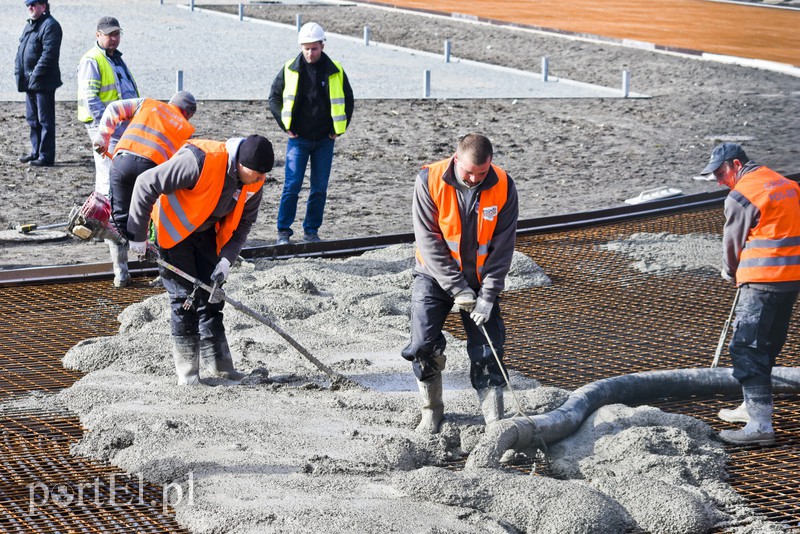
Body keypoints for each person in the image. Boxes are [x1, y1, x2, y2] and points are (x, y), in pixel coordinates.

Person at [126, 135, 274, 386]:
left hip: (205, 232)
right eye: (256, 173)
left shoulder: (254, 183)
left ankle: (222, 366)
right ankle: (188, 375)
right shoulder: (200, 160)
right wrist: (137, 235)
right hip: (173, 231)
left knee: (212, 297)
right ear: (239, 163)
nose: (260, 179)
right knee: (186, 299)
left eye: (263, 175)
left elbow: (244, 225)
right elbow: (146, 182)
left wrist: (226, 260)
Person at [402, 133, 519, 434]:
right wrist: (457, 288)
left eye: (482, 173)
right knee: (422, 345)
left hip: (480, 281)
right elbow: (428, 240)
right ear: (456, 159)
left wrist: (488, 296)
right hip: (433, 276)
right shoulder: (429, 180)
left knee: (488, 351)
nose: (474, 178)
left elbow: (502, 248)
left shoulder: (503, 186)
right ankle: (432, 410)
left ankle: (494, 420)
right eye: (469, 172)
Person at [699, 142, 800, 446]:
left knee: (746, 347)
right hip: (791, 279)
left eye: (720, 173)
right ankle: (750, 406)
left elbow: (732, 244)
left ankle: (759, 425)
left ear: (735, 165)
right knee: (767, 344)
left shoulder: (741, 195)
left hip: (761, 282)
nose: (719, 180)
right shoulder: (788, 184)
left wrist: (729, 271)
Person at [92, 91, 198, 288]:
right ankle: (162, 270)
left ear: (170, 101)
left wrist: (102, 138)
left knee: (121, 221)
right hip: (152, 171)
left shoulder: (148, 103)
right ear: (188, 114)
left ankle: (121, 274)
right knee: (156, 219)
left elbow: (113, 108)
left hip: (121, 162)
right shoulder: (186, 128)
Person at [268, 22, 354, 245]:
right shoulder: (290, 69)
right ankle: (283, 232)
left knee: (319, 188)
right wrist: (284, 124)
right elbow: (274, 97)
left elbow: (348, 100)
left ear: (322, 46)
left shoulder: (335, 69)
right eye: (306, 48)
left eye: (314, 48)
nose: (309, 52)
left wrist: (339, 130)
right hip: (299, 139)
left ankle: (311, 231)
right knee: (292, 185)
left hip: (325, 140)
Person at [77, 15, 139, 196]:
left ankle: (111, 211)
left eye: (117, 34)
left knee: (117, 169)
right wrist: (107, 126)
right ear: (98, 35)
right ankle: (105, 213)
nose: (114, 38)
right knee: (107, 171)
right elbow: (90, 98)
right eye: (109, 35)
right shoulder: (92, 60)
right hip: (104, 126)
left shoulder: (115, 58)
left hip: (119, 125)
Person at [15, 0, 62, 167]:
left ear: (43, 6)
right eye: (28, 5)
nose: (30, 7)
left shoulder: (50, 25)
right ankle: (35, 152)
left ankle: (46, 156)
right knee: (32, 119)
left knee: (45, 120)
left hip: (44, 82)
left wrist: (35, 74)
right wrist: (20, 73)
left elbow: (49, 55)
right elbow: (22, 50)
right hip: (30, 82)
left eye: (33, 4)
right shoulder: (31, 25)